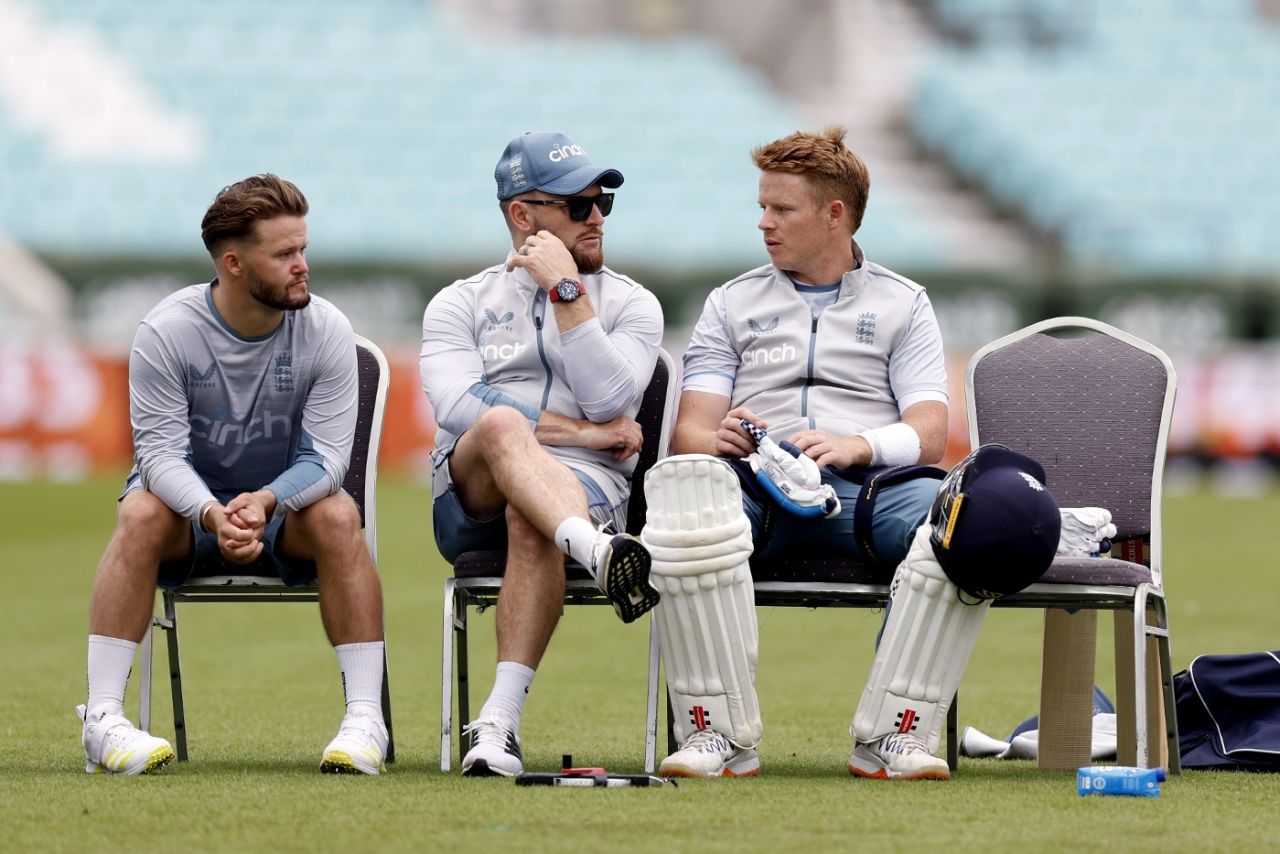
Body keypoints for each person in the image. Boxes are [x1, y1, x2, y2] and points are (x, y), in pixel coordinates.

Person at [644, 127, 1108, 781]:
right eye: (763, 206)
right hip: (752, 487)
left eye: (782, 210)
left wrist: (855, 444)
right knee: (685, 495)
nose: (763, 223)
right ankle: (715, 736)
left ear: (835, 214)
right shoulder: (730, 301)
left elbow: (928, 431)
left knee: (960, 520)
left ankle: (897, 737)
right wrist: (717, 439)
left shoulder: (904, 302)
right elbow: (689, 431)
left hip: (868, 492)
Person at [77, 174, 389, 776]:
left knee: (339, 512)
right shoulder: (166, 332)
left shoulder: (326, 329)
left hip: (283, 516)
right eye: (285, 254)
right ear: (234, 264)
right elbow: (160, 457)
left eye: (303, 249)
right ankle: (103, 719)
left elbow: (328, 460)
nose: (303, 266)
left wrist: (267, 501)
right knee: (137, 509)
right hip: (186, 516)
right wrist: (212, 513)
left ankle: (363, 722)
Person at [420, 132, 664, 777]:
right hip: (471, 487)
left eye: (602, 202)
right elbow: (455, 406)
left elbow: (612, 395)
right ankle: (598, 550)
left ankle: (496, 727)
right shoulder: (459, 301)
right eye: (576, 206)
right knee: (499, 424)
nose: (597, 217)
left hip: (580, 489)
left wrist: (566, 292)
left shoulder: (635, 303)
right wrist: (583, 434)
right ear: (522, 217)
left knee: (533, 517)